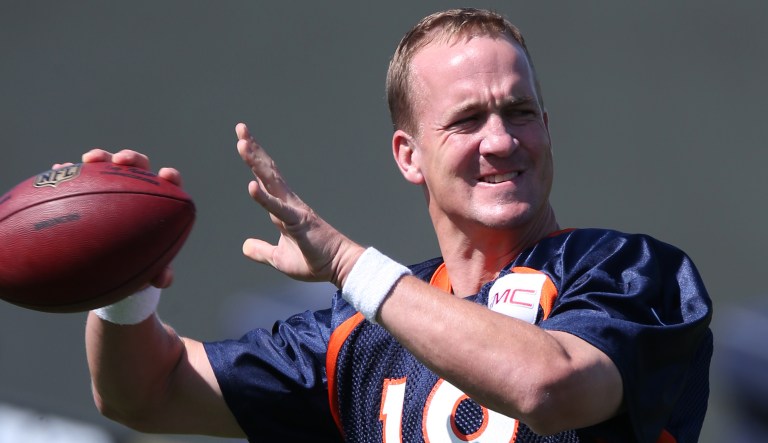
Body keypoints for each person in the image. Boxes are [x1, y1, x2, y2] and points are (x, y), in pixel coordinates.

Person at [81, 8, 712, 443]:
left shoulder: (629, 271)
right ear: (409, 156)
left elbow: (550, 387)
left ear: (546, 128)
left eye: (520, 112)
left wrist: (347, 265)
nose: (501, 140)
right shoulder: (361, 332)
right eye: (467, 120)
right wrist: (123, 277)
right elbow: (147, 391)